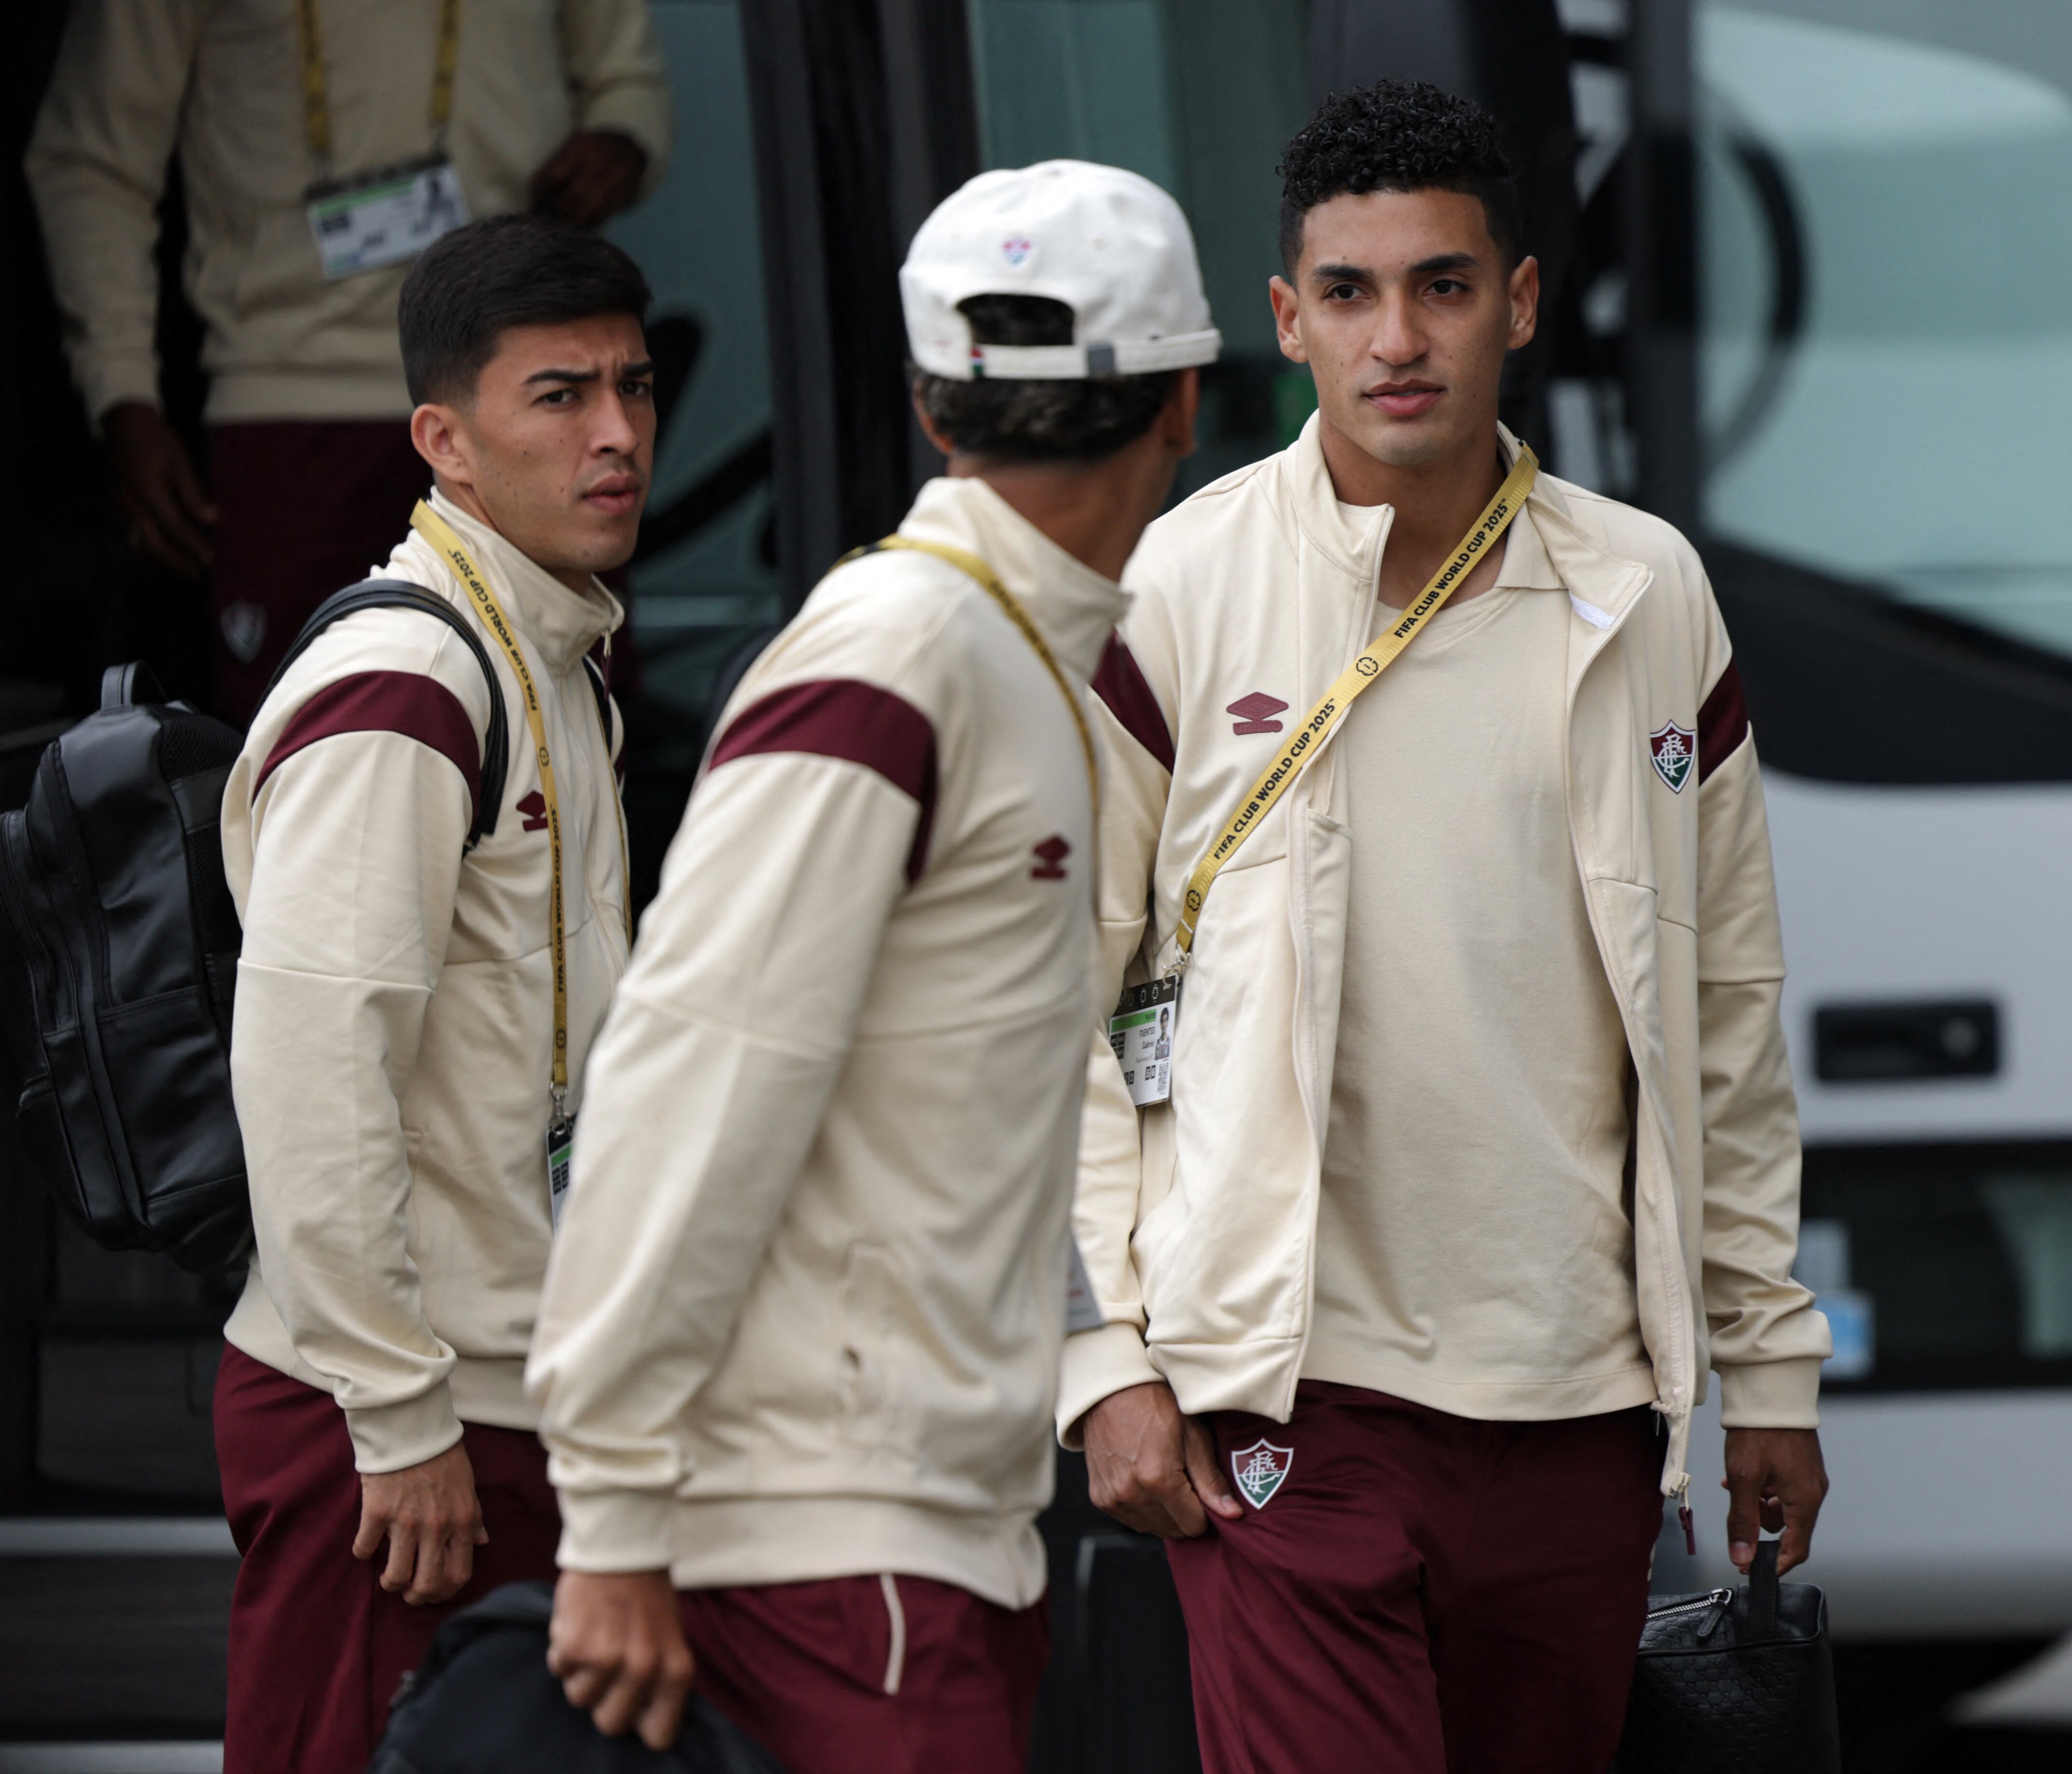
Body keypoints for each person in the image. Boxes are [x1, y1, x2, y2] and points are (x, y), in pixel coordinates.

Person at [1063, 81, 1834, 1774]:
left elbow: (1722, 1007)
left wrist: (1765, 1360)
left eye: (1442, 284)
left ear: (1522, 301)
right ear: (1285, 319)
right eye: (1346, 292)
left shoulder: (1644, 590)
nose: (1394, 336)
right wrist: (1091, 1352)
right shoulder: (1171, 591)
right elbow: (1049, 1006)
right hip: (1282, 1395)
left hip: (1576, 1399)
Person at [524, 160, 1217, 1769]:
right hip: (824, 1537)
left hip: (917, 1527)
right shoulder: (902, 652)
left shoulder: (1007, 653)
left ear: (925, 404)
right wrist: (614, 1507)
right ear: (1185, 399)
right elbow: (688, 1070)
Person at [213, 213, 648, 1774]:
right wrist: (398, 1417)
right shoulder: (411, 682)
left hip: (508, 1396)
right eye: (559, 395)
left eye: (633, 386)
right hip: (394, 1418)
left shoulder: (558, 652)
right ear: (442, 441)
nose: (615, 435)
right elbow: (315, 1072)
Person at [24, 0, 669, 722]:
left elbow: (629, 81)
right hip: (289, 401)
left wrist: (622, 141)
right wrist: (123, 395)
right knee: (309, 744)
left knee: (556, 739)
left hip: (526, 390)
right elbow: (92, 158)